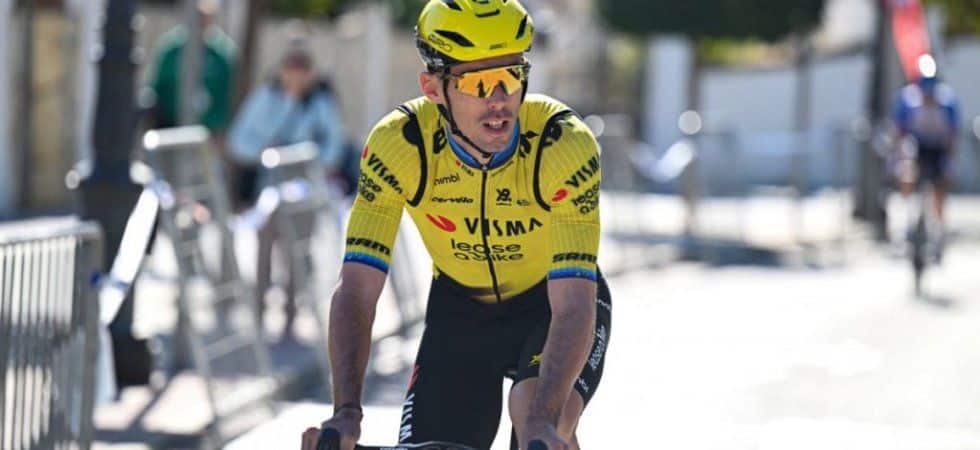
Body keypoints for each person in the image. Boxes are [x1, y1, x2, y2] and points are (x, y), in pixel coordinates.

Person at [301, 1, 611, 450]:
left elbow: (573, 305)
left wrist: (544, 423)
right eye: (477, 83)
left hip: (551, 305)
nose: (499, 100)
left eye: (511, 77)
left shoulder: (562, 144)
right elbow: (357, 289)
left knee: (535, 419)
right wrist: (346, 413)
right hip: (460, 312)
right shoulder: (399, 145)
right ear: (433, 87)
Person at [228, 39, 349, 340]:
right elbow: (239, 140)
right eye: (291, 68)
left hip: (305, 187)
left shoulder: (321, 103)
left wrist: (309, 159)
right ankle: (258, 313)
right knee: (265, 249)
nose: (296, 76)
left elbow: (334, 145)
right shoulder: (265, 98)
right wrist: (267, 151)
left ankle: (291, 316)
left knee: (297, 252)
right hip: (270, 186)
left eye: (302, 69)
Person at [891, 58, 960, 238]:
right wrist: (899, 157)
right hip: (917, 145)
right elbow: (900, 132)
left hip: (937, 147)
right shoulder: (909, 100)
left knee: (941, 181)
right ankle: (907, 216)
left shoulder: (946, 101)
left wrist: (949, 161)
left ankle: (940, 225)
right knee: (907, 171)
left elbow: (952, 135)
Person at [146, 0, 236, 135]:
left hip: (207, 132)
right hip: (168, 127)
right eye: (198, 15)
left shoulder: (222, 55)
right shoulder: (170, 49)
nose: (201, 21)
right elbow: (156, 89)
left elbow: (227, 98)